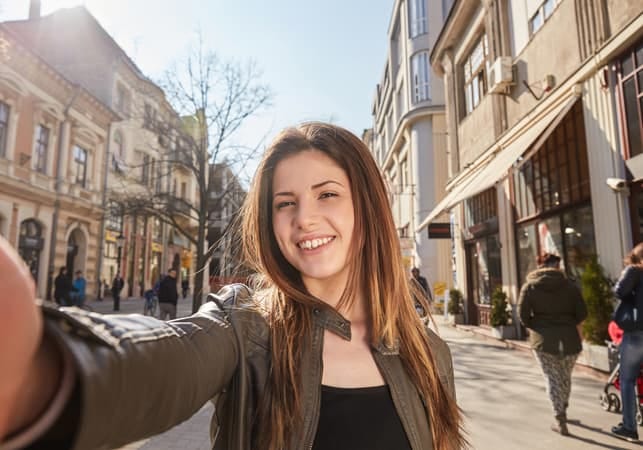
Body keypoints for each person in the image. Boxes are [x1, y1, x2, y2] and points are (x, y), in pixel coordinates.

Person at [0, 122, 465, 450]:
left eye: (327, 194)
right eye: (285, 203)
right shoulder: (247, 328)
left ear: (367, 207)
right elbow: (165, 362)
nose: (304, 218)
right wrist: (35, 371)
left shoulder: (427, 353)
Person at [518, 252, 587, 436]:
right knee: (564, 377)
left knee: (552, 378)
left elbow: (523, 316)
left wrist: (537, 327)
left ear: (540, 265)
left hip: (543, 341)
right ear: (558, 267)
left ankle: (559, 416)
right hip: (570, 340)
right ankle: (562, 408)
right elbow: (582, 313)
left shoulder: (530, 287)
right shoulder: (570, 286)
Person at [610, 243, 643, 443]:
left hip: (637, 332)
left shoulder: (634, 271)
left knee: (628, 379)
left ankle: (629, 427)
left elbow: (619, 291)